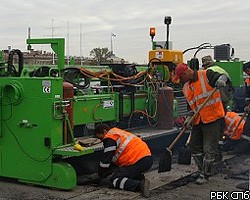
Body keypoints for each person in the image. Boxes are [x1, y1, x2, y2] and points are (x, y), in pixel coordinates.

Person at [173, 63, 228, 184]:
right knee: (194, 146)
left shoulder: (206, 75)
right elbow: (191, 106)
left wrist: (221, 80)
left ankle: (205, 174)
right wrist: (188, 118)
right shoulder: (186, 87)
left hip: (212, 118)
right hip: (198, 120)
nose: (181, 81)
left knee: (209, 148)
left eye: (181, 77)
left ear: (186, 72)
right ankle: (200, 170)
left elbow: (224, 76)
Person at [94, 123, 153, 198]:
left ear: (105, 131)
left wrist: (101, 174)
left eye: (101, 138)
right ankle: (138, 178)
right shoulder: (117, 133)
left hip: (138, 160)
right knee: (122, 172)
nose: (102, 141)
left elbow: (106, 160)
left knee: (115, 179)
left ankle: (139, 185)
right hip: (146, 158)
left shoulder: (109, 137)